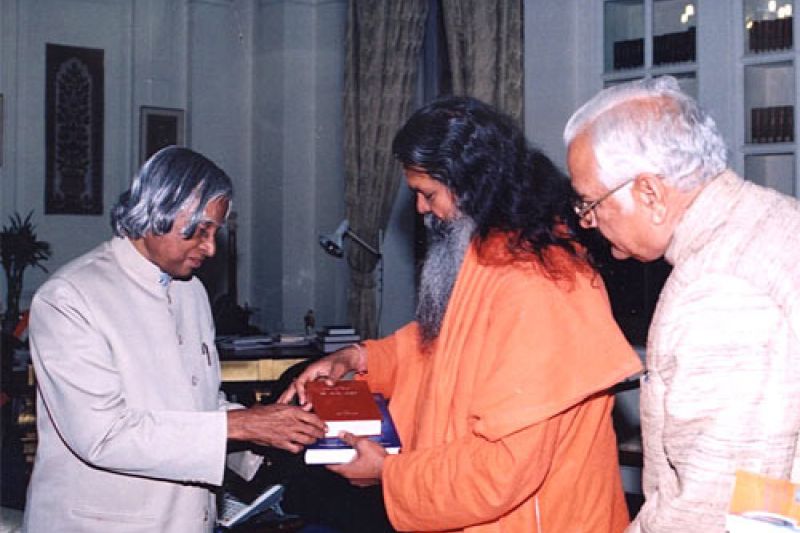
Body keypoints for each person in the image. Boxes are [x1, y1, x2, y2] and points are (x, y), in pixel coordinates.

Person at [281, 96, 643, 532]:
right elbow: (436, 346)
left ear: (474, 185)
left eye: (428, 194)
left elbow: (503, 470)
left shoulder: (539, 284)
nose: (420, 209)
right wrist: (357, 358)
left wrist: (389, 475)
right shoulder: (491, 253)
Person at [23, 146, 326, 532]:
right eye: (200, 231)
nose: (211, 248)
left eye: (215, 233)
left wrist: (274, 435)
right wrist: (244, 425)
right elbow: (103, 435)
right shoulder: (70, 297)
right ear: (156, 213)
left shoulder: (190, 291)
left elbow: (199, 405)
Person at [563, 75, 800, 532]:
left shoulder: (718, 290)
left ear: (649, 193)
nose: (588, 222)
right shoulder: (774, 214)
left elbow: (712, 511)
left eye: (591, 203)